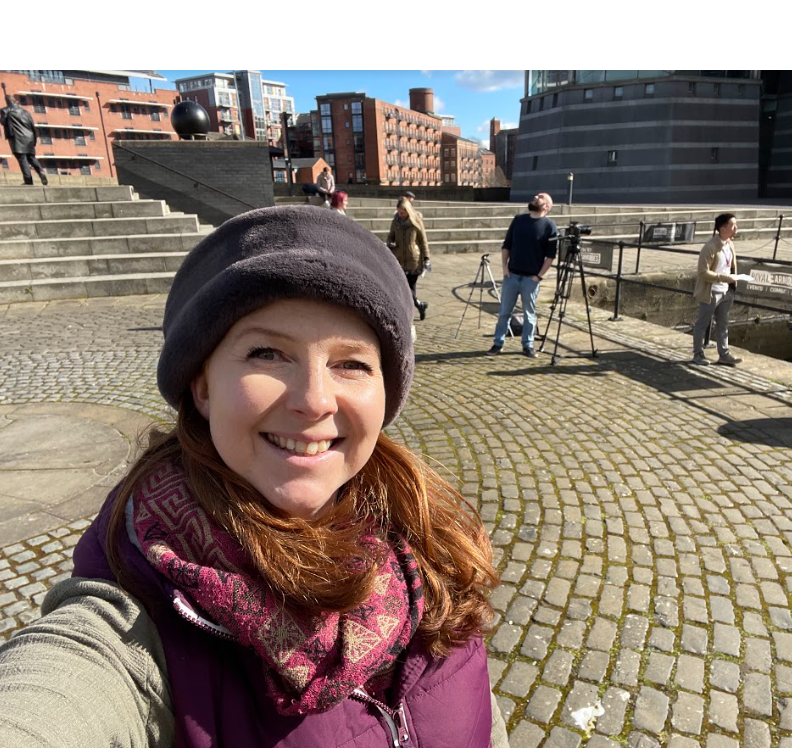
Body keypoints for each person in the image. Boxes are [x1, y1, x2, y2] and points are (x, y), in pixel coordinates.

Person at [0, 207, 507, 748]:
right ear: (202, 386)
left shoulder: (428, 540)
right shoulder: (142, 603)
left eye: (352, 364)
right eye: (267, 353)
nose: (313, 401)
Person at [487, 192, 557, 358]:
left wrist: (539, 276)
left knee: (529, 313)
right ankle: (498, 343)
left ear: (546, 206)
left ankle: (528, 345)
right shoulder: (519, 220)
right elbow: (507, 246)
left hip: (531, 279)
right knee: (504, 311)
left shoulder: (549, 226)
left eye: (540, 197)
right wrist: (505, 268)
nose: (536, 197)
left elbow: (551, 256)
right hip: (512, 275)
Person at [692, 212, 743, 367]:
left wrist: (732, 281)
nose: (736, 229)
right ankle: (698, 354)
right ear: (722, 228)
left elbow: (730, 266)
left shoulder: (730, 244)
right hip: (712, 291)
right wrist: (724, 278)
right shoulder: (710, 247)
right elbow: (703, 272)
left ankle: (724, 354)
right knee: (703, 323)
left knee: (723, 323)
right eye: (733, 225)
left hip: (726, 291)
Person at [387, 197, 431, 321]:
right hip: (399, 258)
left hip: (413, 260)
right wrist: (390, 243)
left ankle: (410, 313)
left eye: (403, 212)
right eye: (399, 212)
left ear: (408, 211)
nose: (400, 215)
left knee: (410, 287)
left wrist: (426, 258)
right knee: (404, 287)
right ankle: (419, 305)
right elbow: (390, 237)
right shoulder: (395, 222)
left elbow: (423, 241)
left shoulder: (416, 221)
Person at [1, 95, 48, 186]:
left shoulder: (5, 110)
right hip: (29, 136)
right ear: (16, 102)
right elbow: (32, 125)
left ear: (7, 102)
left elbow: (3, 122)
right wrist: (34, 138)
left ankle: (28, 181)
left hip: (17, 138)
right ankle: (40, 171)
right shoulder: (26, 112)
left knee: (22, 159)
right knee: (31, 157)